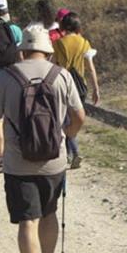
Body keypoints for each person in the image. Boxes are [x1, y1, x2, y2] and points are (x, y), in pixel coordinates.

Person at [0, 26, 85, 253]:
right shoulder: (61, 75)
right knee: (49, 214)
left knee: (28, 221)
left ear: (22, 50)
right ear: (48, 52)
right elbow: (79, 116)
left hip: (18, 162)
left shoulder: (7, 77)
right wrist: (67, 135)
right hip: (54, 160)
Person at [51, 12, 100, 169]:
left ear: (63, 26)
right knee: (74, 120)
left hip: (63, 84)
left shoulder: (58, 43)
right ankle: (71, 153)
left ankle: (72, 152)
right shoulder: (84, 43)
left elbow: (53, 65)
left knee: (64, 119)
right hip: (80, 86)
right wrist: (96, 89)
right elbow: (90, 68)